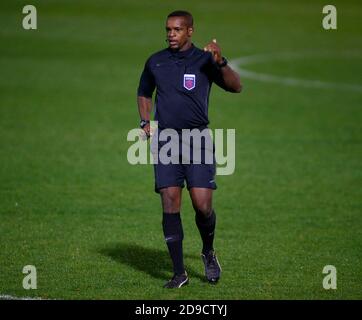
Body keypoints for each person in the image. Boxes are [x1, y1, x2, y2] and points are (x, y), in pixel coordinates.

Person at [137, 10, 242, 288]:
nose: (171, 34)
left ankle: (208, 251)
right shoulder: (156, 62)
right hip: (167, 141)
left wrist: (221, 62)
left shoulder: (205, 61)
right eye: (168, 29)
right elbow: (144, 92)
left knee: (202, 206)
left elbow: (236, 86)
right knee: (170, 201)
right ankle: (179, 273)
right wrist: (145, 121)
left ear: (190, 32)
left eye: (177, 29)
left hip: (197, 141)